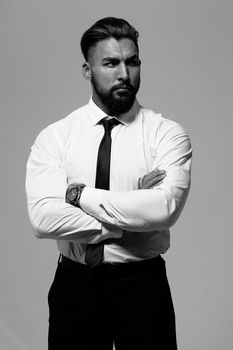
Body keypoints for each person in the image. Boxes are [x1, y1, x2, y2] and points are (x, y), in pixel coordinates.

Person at [26, 17, 192, 350]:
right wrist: (131, 207)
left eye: (132, 62)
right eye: (110, 63)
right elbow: (43, 219)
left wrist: (78, 194)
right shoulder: (56, 137)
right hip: (75, 286)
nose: (124, 74)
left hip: (142, 286)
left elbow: (163, 210)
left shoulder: (167, 135)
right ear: (87, 70)